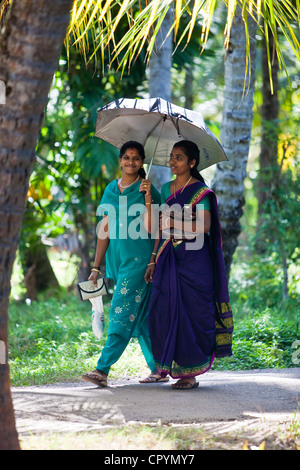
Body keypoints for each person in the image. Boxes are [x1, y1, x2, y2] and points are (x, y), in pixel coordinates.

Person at [144, 140, 233, 390]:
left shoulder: (201, 192)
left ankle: (189, 374)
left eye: (179, 158)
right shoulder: (165, 188)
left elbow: (203, 226)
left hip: (194, 263)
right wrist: (153, 259)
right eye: (172, 157)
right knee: (162, 312)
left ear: (192, 163)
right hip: (167, 259)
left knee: (192, 314)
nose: (173, 162)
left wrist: (173, 224)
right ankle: (165, 367)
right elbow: (158, 229)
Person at [82, 141, 167, 387]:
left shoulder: (148, 189)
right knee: (141, 318)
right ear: (120, 160)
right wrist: (96, 268)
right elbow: (104, 230)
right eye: (127, 157)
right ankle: (158, 368)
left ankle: (102, 369)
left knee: (120, 309)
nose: (131, 162)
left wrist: (153, 259)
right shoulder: (110, 190)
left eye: (137, 158)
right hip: (118, 263)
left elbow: (156, 230)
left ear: (142, 162)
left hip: (140, 261)